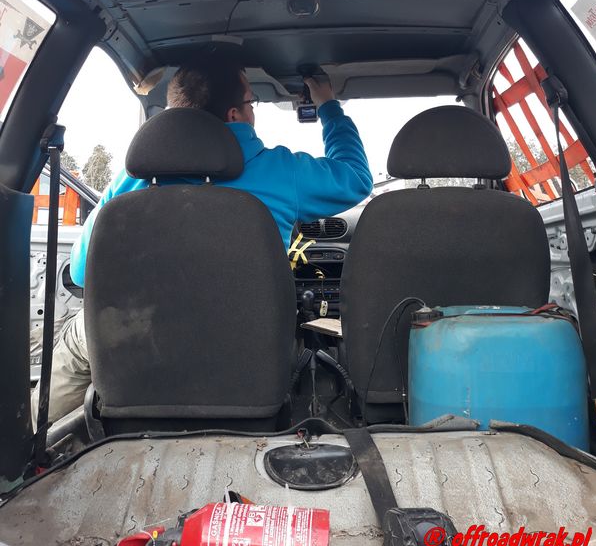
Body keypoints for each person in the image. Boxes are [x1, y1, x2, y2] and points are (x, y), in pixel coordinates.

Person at [31, 52, 373, 424]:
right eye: (251, 103)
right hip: (246, 347)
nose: (253, 111)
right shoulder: (281, 171)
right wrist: (327, 105)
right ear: (235, 115)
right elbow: (356, 177)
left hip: (135, 342)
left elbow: (81, 274)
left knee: (77, 341)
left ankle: (32, 440)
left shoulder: (130, 182)